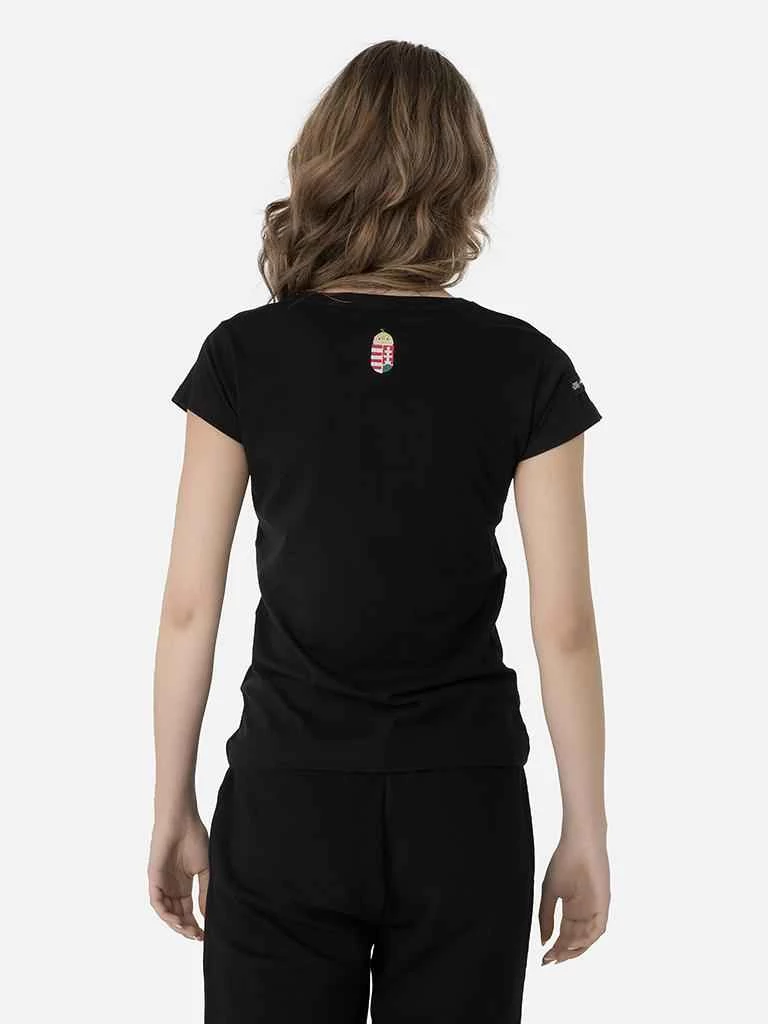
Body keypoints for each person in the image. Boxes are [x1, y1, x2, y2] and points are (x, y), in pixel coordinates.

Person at [148, 39, 610, 1024]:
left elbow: (190, 605)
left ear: (325, 162)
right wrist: (586, 826)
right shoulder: (526, 365)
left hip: (287, 797)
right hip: (466, 803)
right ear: (465, 178)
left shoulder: (243, 356)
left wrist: (171, 799)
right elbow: (564, 624)